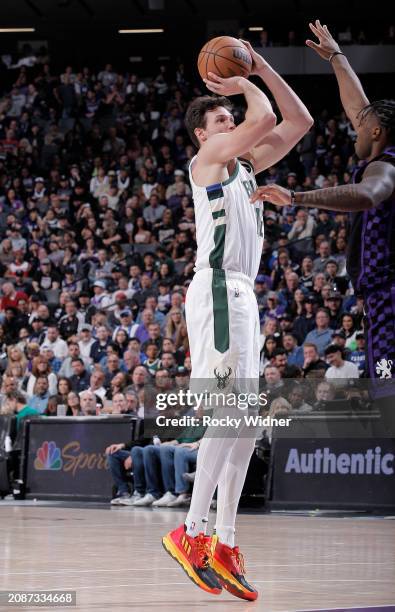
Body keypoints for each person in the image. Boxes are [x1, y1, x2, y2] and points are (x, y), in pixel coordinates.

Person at [162, 42, 313, 601]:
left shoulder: (245, 166)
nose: (233, 120)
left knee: (247, 423)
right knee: (228, 416)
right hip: (219, 291)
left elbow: (298, 119)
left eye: (230, 116)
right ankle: (191, 531)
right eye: (222, 119)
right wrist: (240, 83)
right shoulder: (208, 162)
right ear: (205, 134)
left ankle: (224, 540)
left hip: (245, 296)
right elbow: (267, 115)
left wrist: (259, 68)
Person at [251, 20, 395, 380]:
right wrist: (337, 58)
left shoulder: (387, 167)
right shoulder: (381, 145)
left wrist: (297, 196)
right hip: (381, 294)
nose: (354, 127)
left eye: (361, 126)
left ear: (376, 132)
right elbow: (359, 107)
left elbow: (367, 194)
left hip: (388, 294)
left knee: (389, 392)